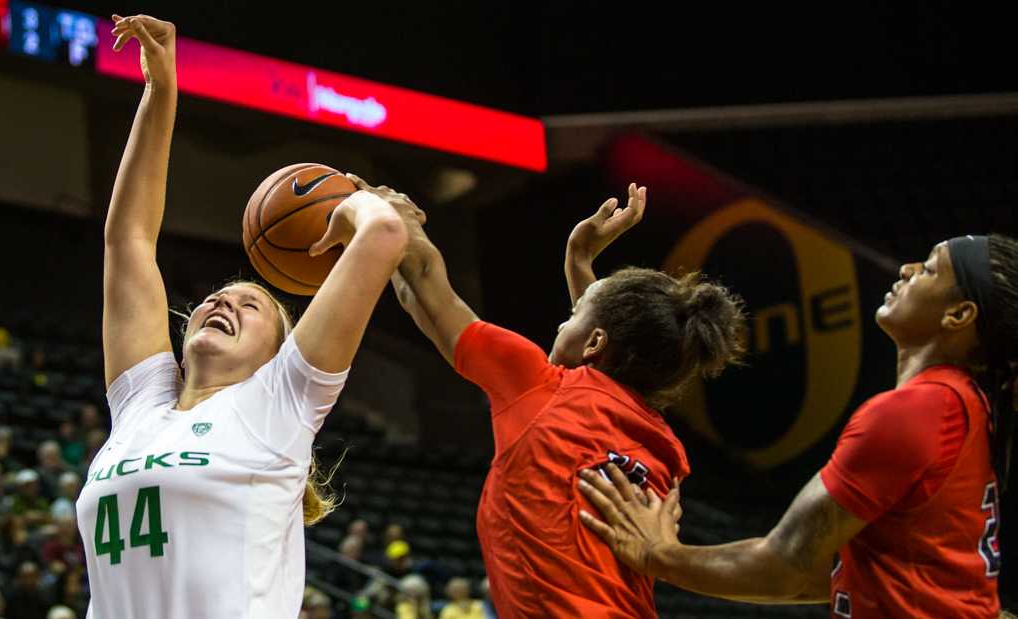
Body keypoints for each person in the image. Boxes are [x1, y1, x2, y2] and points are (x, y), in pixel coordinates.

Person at [76, 14, 408, 619]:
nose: (223, 301)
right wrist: (161, 91)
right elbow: (127, 239)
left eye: (251, 305)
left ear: (277, 357)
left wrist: (353, 199)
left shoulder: (279, 402)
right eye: (214, 299)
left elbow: (385, 233)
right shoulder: (140, 404)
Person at [579, 234, 1018, 617]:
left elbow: (784, 565)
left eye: (928, 269)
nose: (906, 268)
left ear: (958, 315)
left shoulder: (916, 411)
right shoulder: (966, 405)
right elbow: (822, 574)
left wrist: (658, 553)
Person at [380, 175, 746, 618]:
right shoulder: (662, 453)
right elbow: (599, 369)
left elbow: (421, 283)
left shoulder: (537, 384)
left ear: (594, 342)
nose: (558, 325)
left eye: (571, 316)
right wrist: (579, 260)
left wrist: (392, 216)